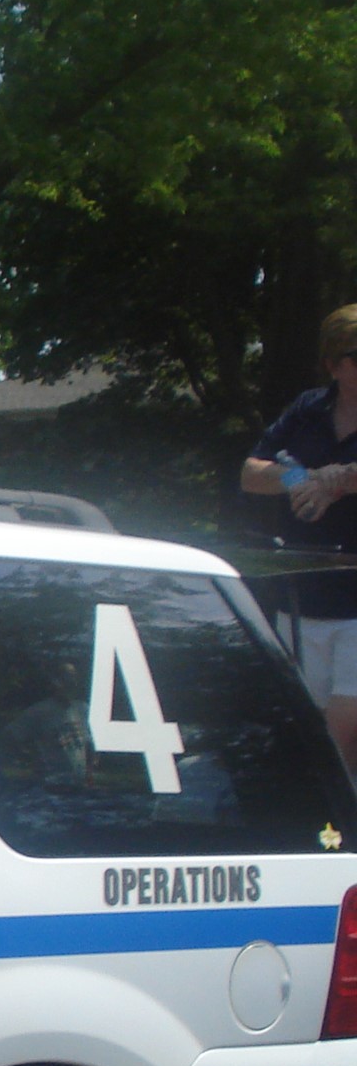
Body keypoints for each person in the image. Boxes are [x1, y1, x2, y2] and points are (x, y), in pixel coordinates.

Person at [243, 303, 357, 764]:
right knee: (306, 726)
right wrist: (303, 479)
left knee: (343, 728)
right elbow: (252, 472)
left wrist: (341, 479)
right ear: (333, 364)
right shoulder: (308, 409)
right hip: (303, 598)